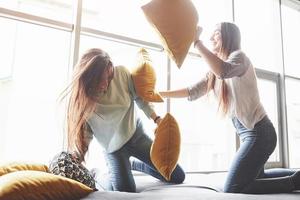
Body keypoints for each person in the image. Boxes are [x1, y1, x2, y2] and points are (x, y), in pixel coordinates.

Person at [159, 22, 300, 194]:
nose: (211, 37)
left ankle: (295, 182)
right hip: (252, 133)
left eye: (216, 33)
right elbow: (192, 91)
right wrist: (161, 94)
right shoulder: (215, 71)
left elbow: (223, 71)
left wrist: (197, 42)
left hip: (260, 133)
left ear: (228, 37)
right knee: (257, 176)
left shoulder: (239, 57)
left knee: (234, 187)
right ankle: (297, 177)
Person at [61, 48, 185, 192]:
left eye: (108, 77)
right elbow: (86, 135)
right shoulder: (83, 102)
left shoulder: (121, 74)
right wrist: (79, 156)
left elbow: (139, 98)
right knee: (125, 191)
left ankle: (134, 164)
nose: (105, 84)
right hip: (114, 149)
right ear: (89, 78)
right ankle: (100, 173)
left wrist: (156, 118)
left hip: (136, 135)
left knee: (176, 175)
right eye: (101, 80)